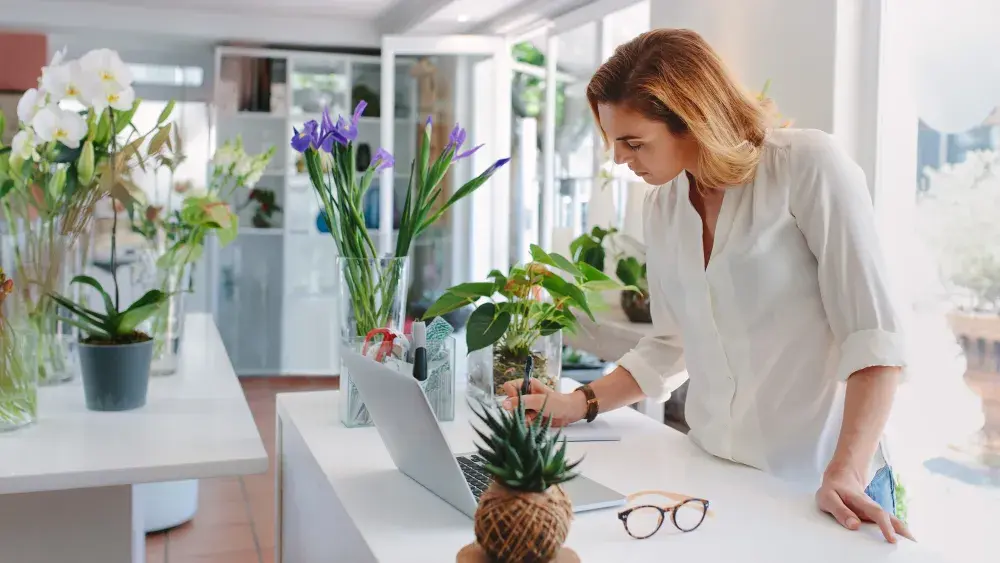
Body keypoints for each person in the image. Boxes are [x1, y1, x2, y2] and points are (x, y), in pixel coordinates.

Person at [502, 28, 914, 544]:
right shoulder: (665, 205)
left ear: (691, 119)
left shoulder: (806, 166)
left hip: (826, 486)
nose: (620, 160)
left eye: (634, 142)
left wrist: (847, 471)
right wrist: (579, 401)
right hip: (720, 478)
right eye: (614, 142)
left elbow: (875, 340)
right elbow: (672, 344)